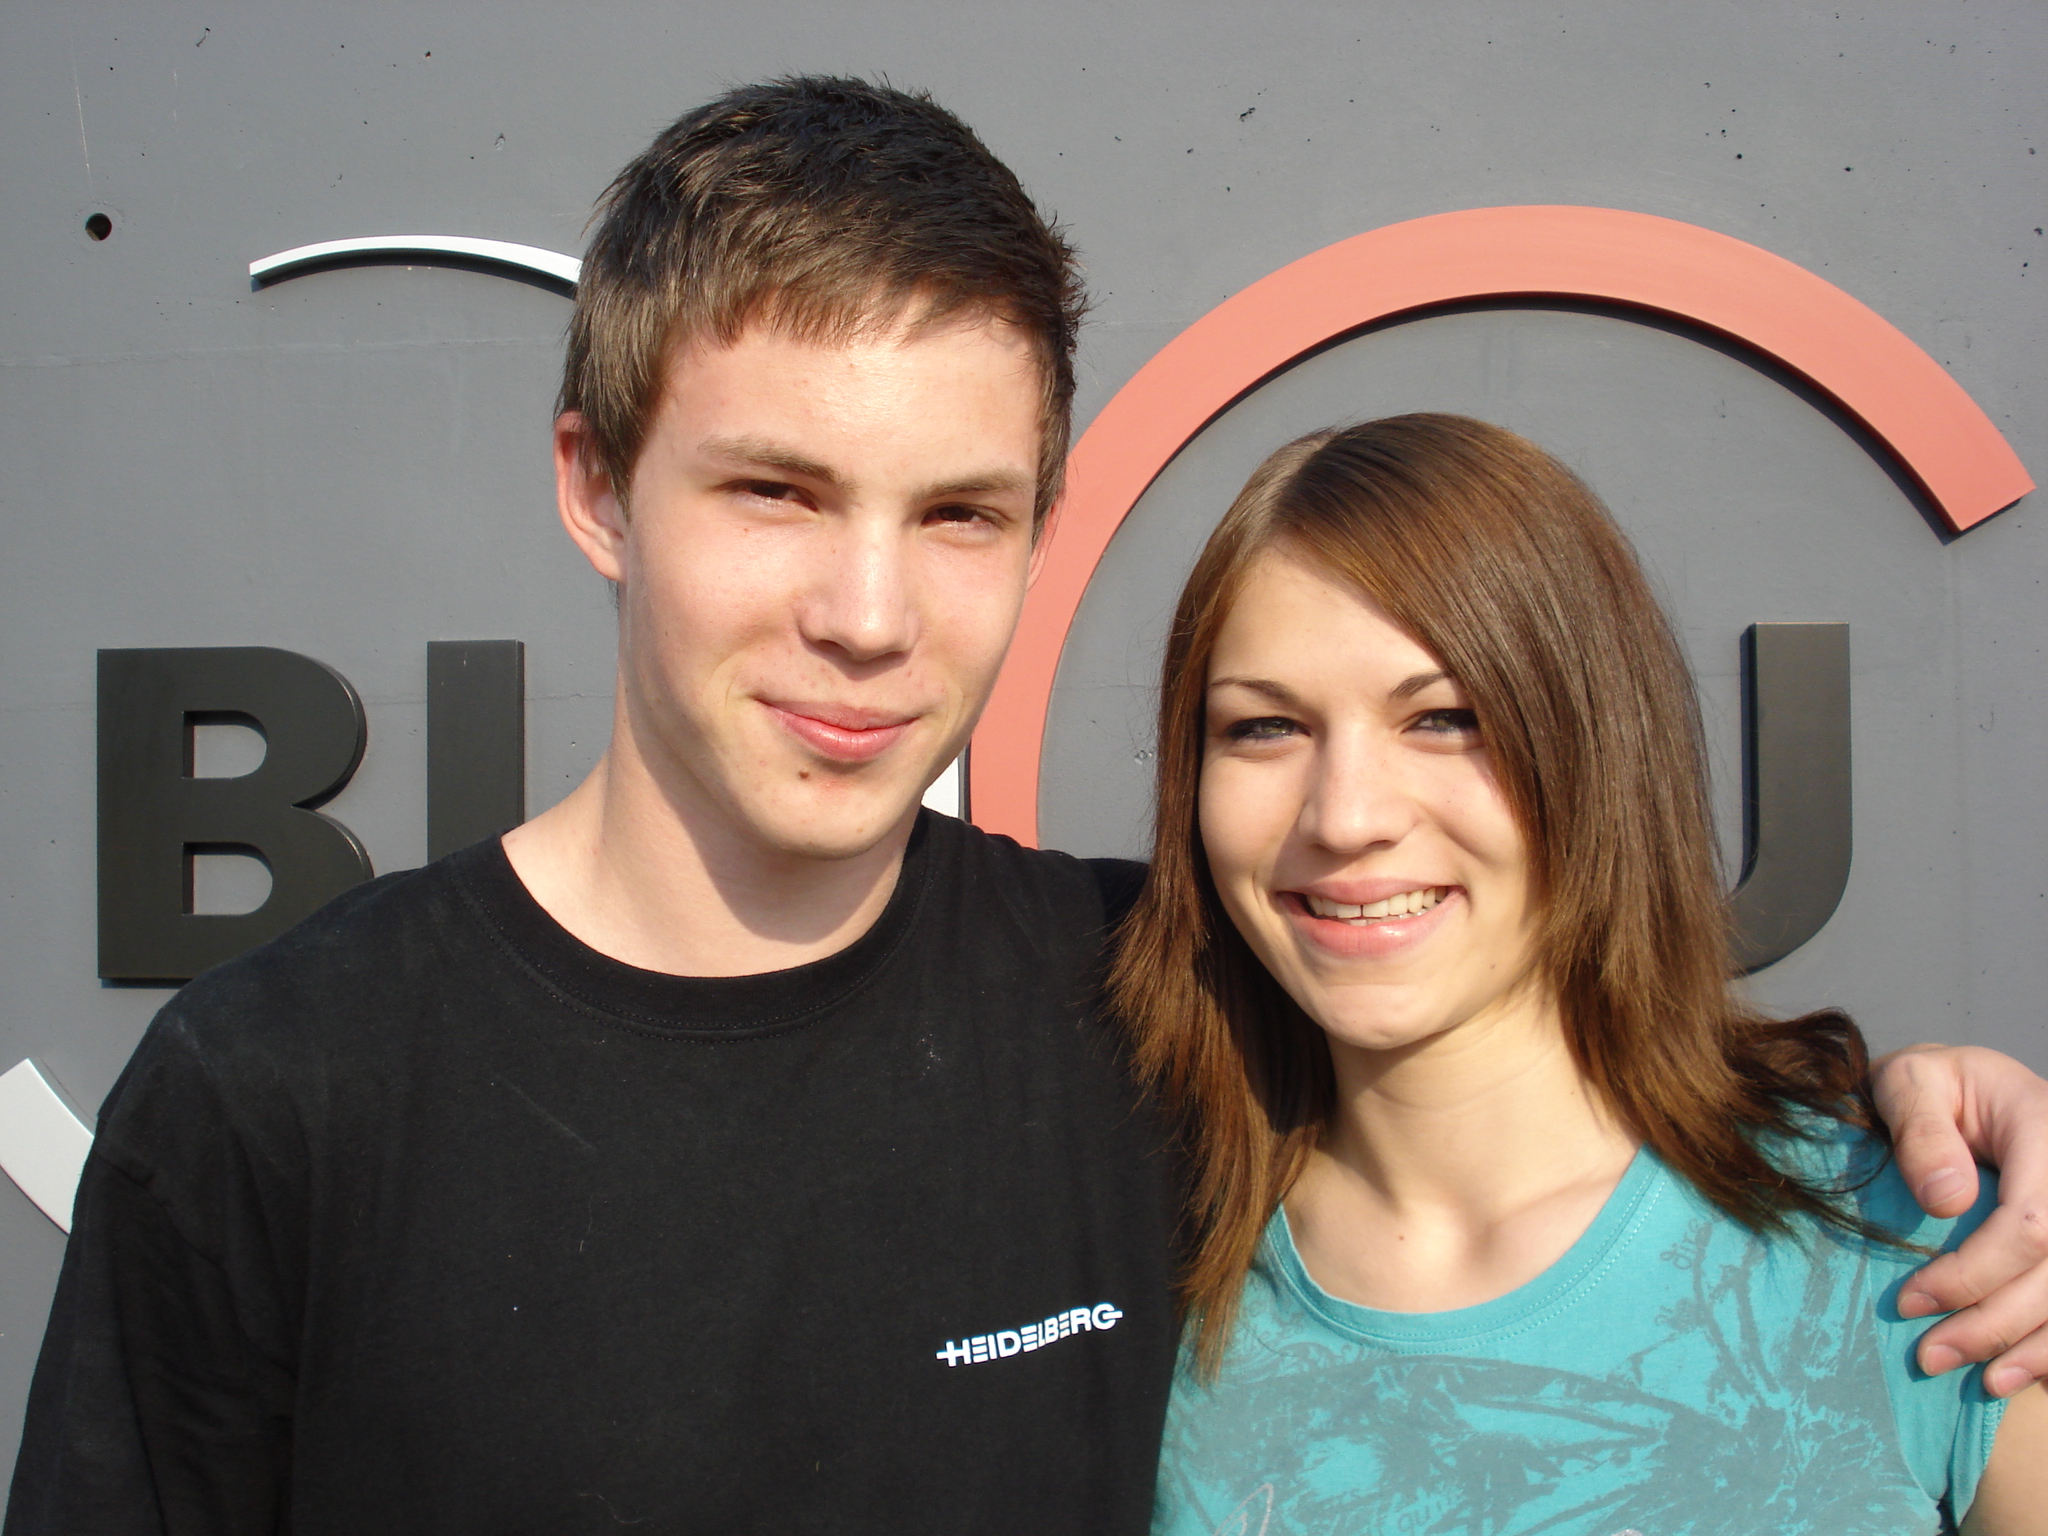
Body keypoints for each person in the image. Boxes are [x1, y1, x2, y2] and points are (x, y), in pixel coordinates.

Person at [5, 80, 2045, 1535]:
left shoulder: (1149, 1001)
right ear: (595, 485)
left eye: (958, 514)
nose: (866, 615)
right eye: (776, 491)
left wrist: (1952, 1122)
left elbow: (1554, 1077)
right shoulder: (274, 1098)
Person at [1115, 415, 2046, 1533]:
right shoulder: (1124, 1284)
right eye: (1265, 727)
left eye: (1444, 718)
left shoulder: (1929, 1255)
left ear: (1594, 743)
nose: (1345, 816)